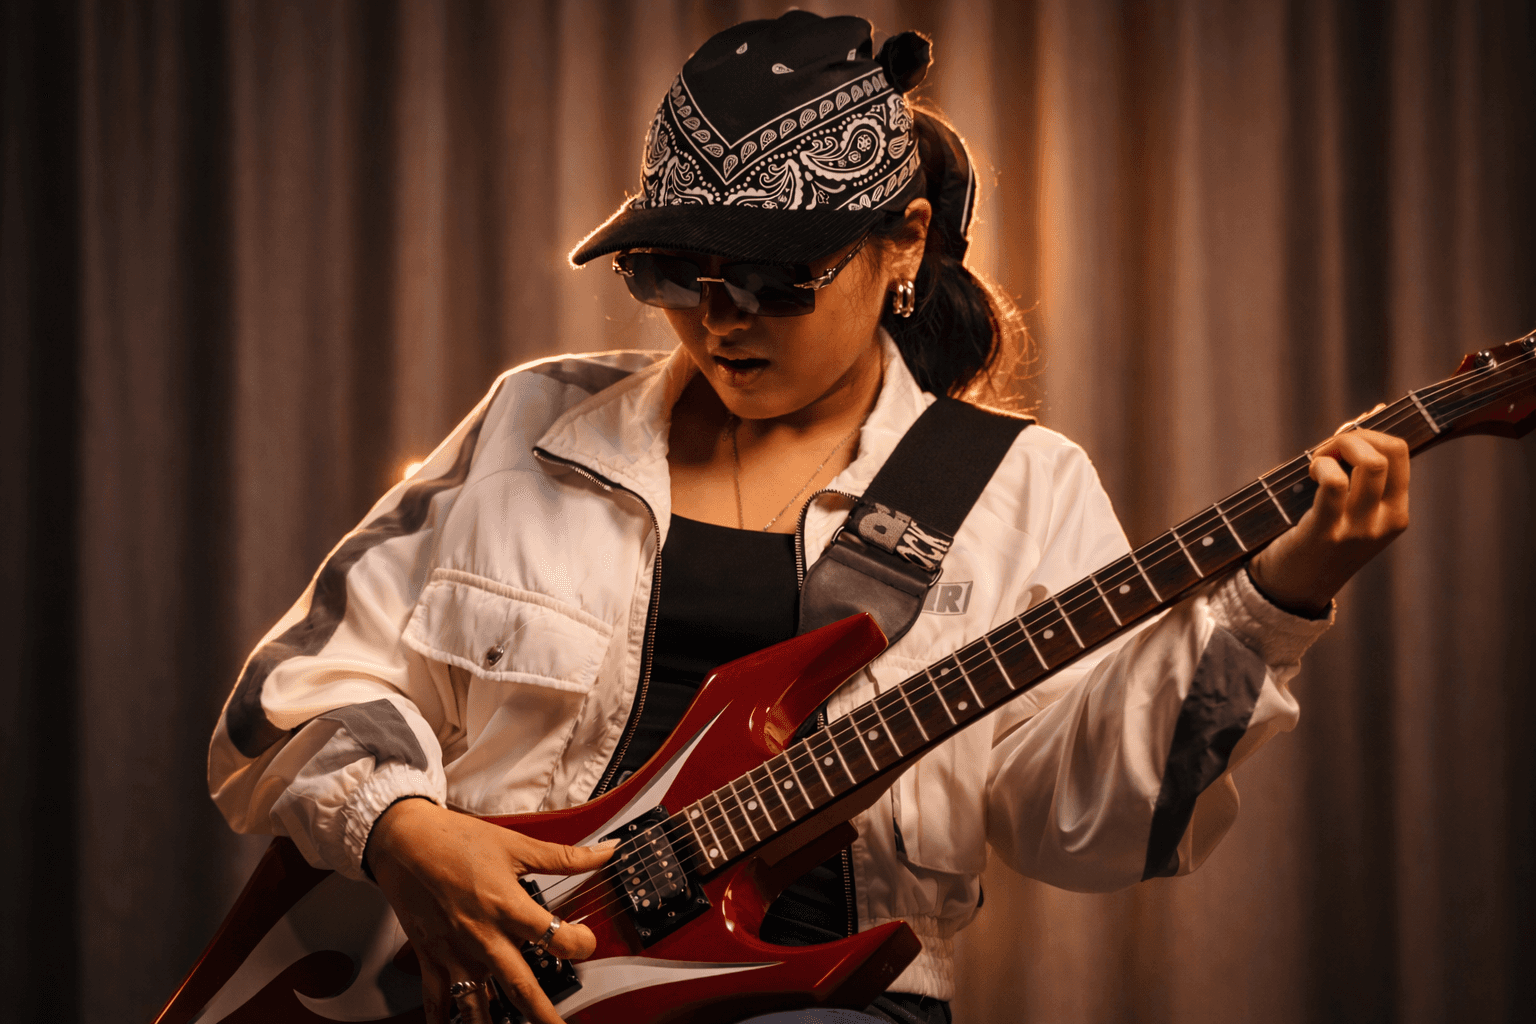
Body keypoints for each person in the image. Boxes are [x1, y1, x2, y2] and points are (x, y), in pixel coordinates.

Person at [207, 11, 1409, 1024]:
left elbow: (1093, 822)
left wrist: (1279, 597)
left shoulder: (1018, 486)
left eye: (777, 280)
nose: (721, 318)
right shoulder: (532, 419)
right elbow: (291, 691)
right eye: (674, 273)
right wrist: (402, 829)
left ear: (905, 243)